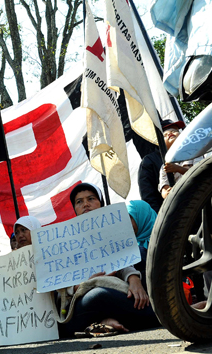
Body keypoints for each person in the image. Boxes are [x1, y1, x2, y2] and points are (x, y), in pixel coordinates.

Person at [58, 182, 160, 337]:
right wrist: (79, 286)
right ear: (75, 210)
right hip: (81, 303)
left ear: (101, 205)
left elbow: (123, 262)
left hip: (112, 292)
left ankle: (105, 322)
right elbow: (56, 288)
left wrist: (134, 280)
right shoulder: (64, 243)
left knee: (113, 295)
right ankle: (170, 315)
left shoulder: (112, 236)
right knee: (98, 295)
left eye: (91, 199)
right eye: (79, 202)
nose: (85, 204)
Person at [138, 119, 185, 213]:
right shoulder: (149, 161)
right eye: (165, 132)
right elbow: (148, 196)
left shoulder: (194, 152)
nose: (170, 133)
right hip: (176, 215)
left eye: (175, 130)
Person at [158, 122, 197, 200]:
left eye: (173, 131)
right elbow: (164, 188)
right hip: (183, 200)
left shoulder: (195, 153)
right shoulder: (164, 166)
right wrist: (166, 193)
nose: (169, 133)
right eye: (165, 135)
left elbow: (201, 173)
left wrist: (178, 169)